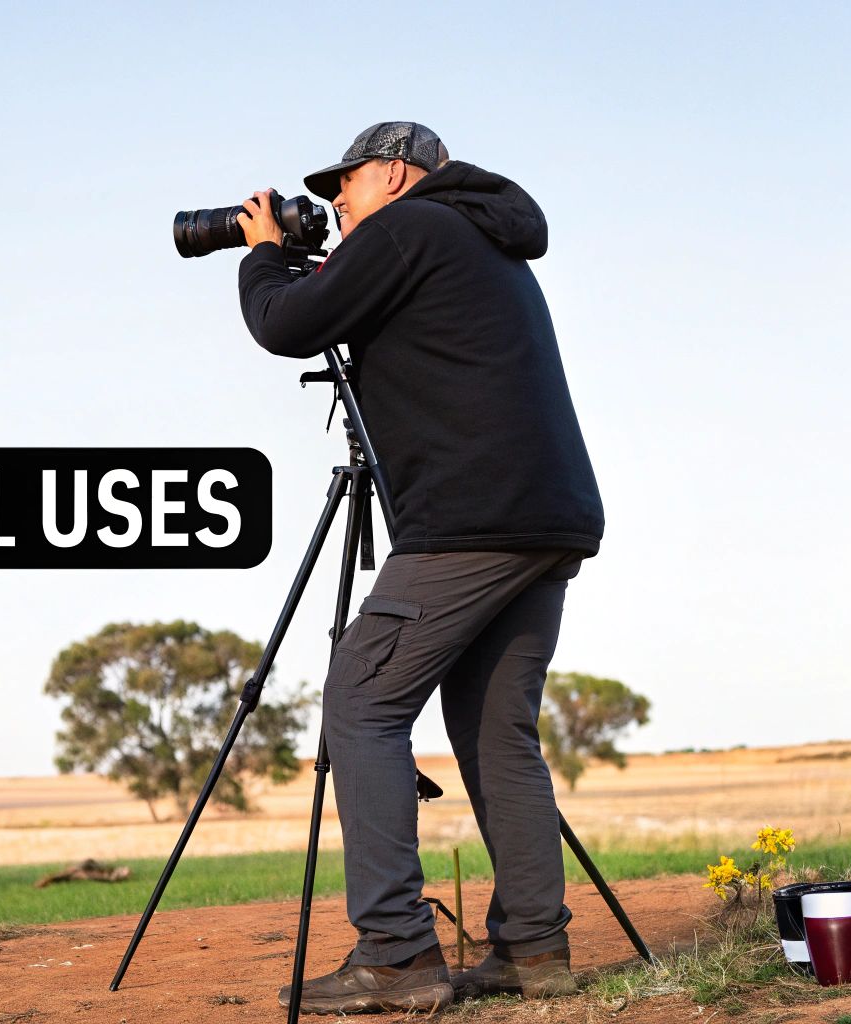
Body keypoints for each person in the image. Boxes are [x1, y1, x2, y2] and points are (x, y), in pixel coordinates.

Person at [235, 122, 604, 1014]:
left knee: (360, 704)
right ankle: (532, 950)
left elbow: (286, 323)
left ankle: (398, 956)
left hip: (469, 522)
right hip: (544, 518)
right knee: (493, 730)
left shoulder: (411, 228)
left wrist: (264, 254)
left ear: (395, 174)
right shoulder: (483, 238)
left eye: (347, 185)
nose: (336, 203)